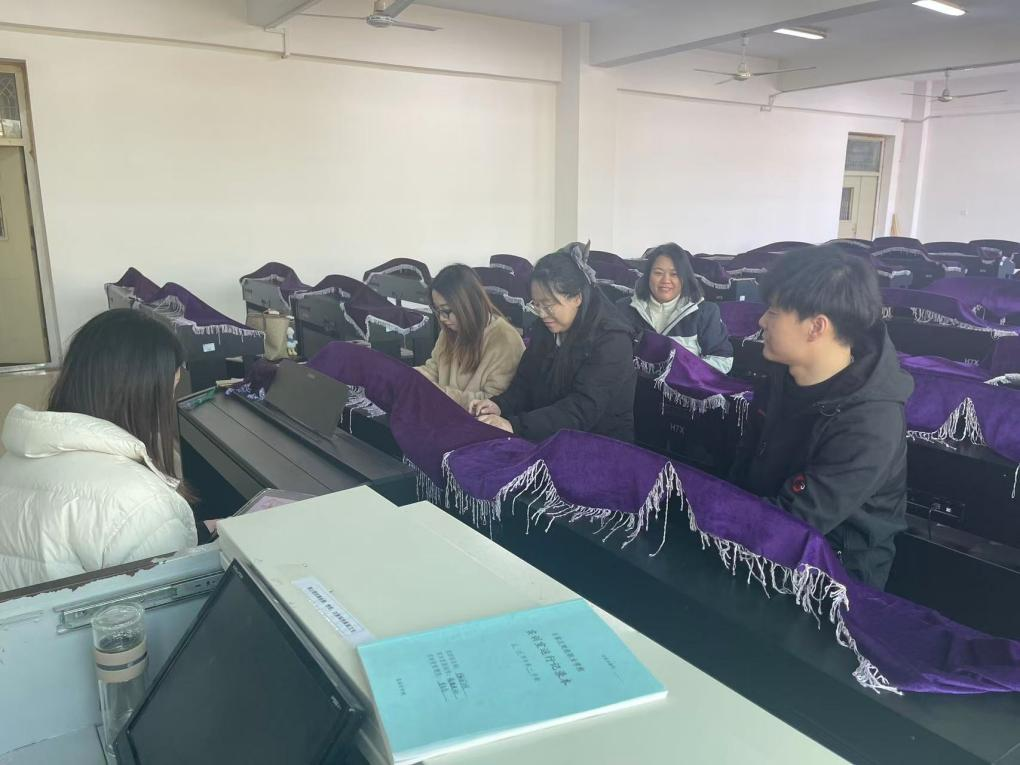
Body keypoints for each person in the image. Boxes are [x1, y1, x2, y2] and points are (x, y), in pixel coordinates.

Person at [730, 245, 913, 589]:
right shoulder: (782, 374)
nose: (761, 321)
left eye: (773, 312)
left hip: (833, 575)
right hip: (762, 535)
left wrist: (715, 516)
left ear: (816, 327)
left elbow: (801, 519)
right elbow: (745, 463)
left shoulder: (872, 421)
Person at [0, 309, 198, 592]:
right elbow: (168, 609)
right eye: (170, 389)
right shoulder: (140, 501)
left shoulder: (12, 460)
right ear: (147, 393)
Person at [470, 243, 637, 442]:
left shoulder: (613, 340)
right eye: (536, 305)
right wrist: (500, 405)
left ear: (577, 298)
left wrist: (514, 425)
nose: (541, 314)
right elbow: (525, 382)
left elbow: (581, 409)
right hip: (548, 431)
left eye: (548, 305)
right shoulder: (546, 328)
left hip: (598, 442)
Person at [417, 264, 525, 409]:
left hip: (477, 420)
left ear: (468, 304)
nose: (442, 318)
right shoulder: (450, 330)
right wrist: (409, 377)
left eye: (446, 310)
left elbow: (494, 402)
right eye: (437, 310)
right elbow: (433, 369)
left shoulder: (505, 340)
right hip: (443, 412)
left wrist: (439, 394)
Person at [617, 243, 734, 373]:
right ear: (648, 276)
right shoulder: (624, 309)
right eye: (658, 273)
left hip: (684, 385)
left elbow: (722, 359)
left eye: (674, 274)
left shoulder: (705, 313)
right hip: (634, 384)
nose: (666, 280)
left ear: (685, 278)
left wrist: (684, 372)